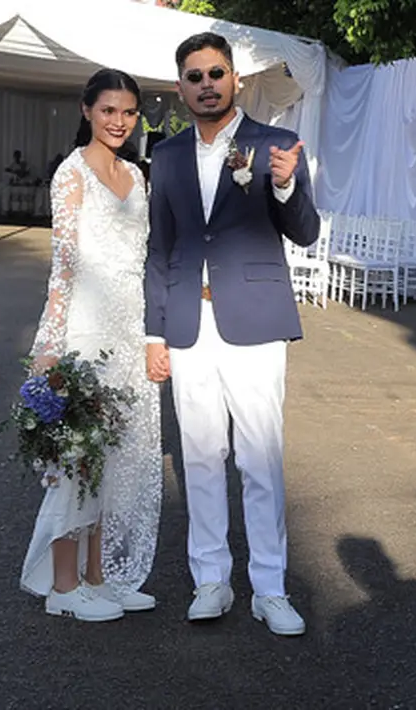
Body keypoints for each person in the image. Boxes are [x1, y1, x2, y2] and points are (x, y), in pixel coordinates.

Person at [144, 31, 320, 635]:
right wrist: (153, 334)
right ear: (180, 88)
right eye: (194, 77)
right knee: (199, 458)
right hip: (190, 326)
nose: (206, 85)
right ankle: (211, 580)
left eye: (216, 73)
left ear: (235, 79)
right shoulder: (165, 157)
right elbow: (159, 251)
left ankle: (269, 588)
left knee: (260, 460)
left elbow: (304, 232)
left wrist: (285, 186)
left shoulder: (276, 145)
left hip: (255, 322)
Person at [20, 68, 163, 623]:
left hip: (129, 331)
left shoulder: (136, 173)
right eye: (108, 111)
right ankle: (63, 586)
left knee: (116, 458)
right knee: (77, 456)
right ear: (87, 111)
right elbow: (64, 266)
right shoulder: (71, 173)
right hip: (84, 330)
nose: (119, 121)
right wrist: (49, 346)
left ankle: (100, 578)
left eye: (128, 112)